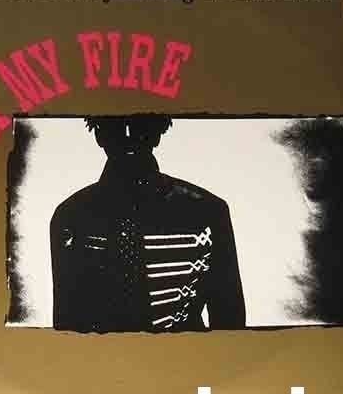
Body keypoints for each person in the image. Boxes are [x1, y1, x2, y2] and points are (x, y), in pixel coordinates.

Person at [50, 114, 246, 333]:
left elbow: (230, 328)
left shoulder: (208, 213)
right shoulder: (71, 218)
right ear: (98, 134)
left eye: (139, 125)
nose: (127, 135)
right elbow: (66, 330)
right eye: (114, 125)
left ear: (157, 132)